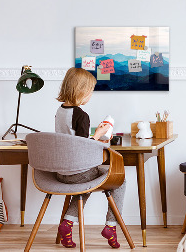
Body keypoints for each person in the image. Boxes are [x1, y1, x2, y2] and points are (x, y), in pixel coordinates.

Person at [55, 67, 125, 249]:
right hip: (78, 172)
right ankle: (111, 226)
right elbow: (82, 147)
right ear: (81, 91)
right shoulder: (81, 115)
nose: (90, 95)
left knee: (86, 183)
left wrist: (94, 135)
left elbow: (72, 140)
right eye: (90, 91)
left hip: (61, 172)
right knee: (120, 180)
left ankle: (67, 224)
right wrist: (99, 135)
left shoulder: (60, 111)